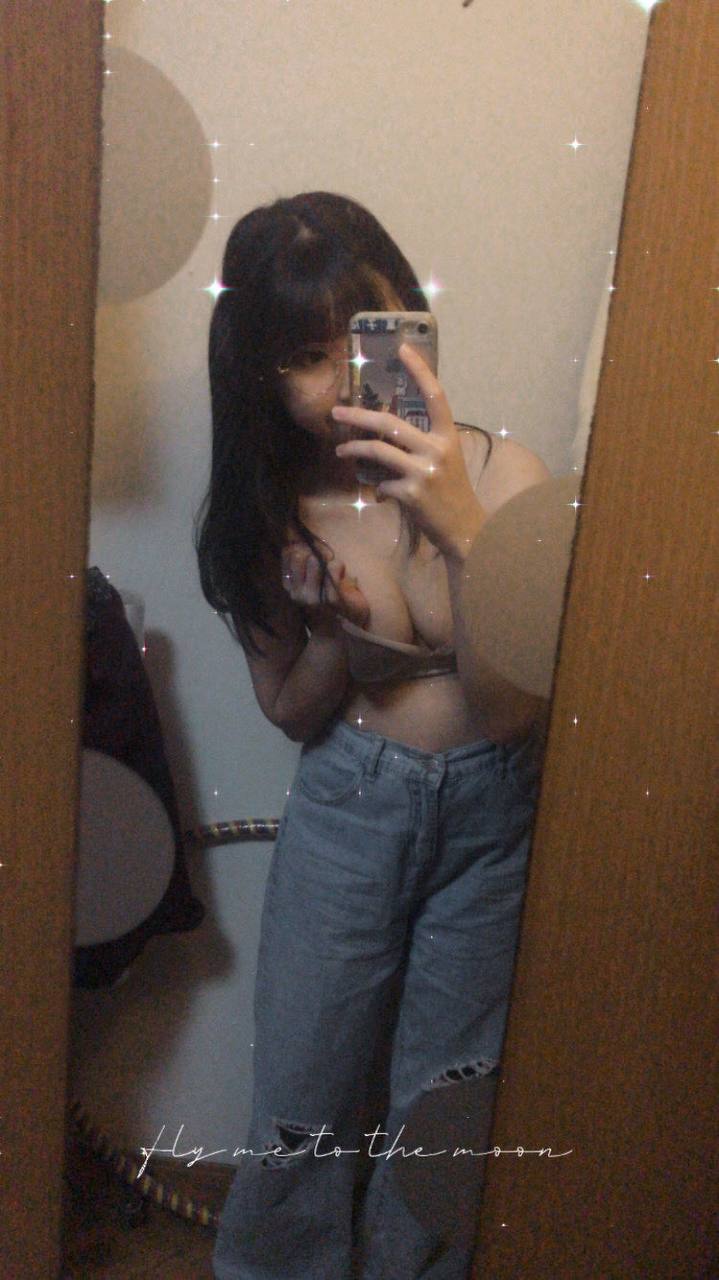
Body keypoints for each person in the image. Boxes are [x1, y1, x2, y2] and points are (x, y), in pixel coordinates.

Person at [195, 191, 552, 1280]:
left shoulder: (506, 477)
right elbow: (289, 711)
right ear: (262, 375)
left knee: (450, 1101)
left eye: (368, 330)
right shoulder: (272, 510)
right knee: (301, 1086)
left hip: (493, 815)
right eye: (306, 355)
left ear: (413, 322)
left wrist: (462, 527)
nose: (345, 376)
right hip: (349, 809)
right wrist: (330, 634)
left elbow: (512, 707)